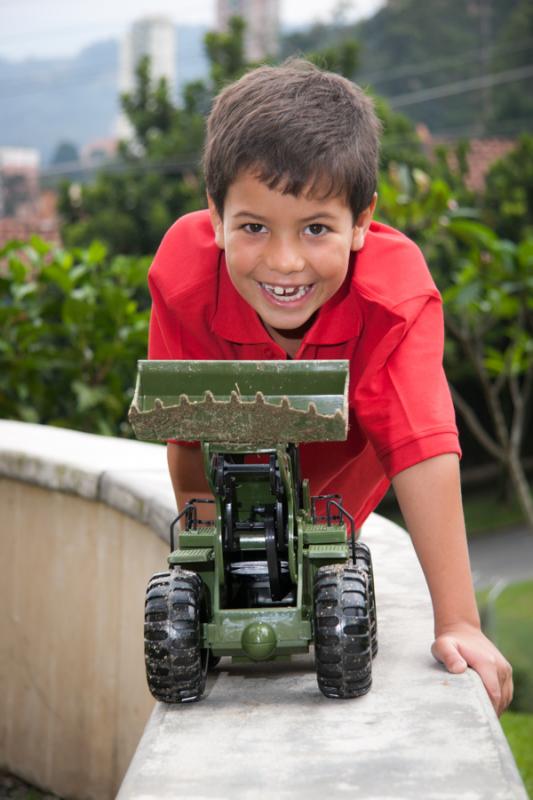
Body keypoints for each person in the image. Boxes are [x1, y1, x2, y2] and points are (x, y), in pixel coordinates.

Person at [147, 59, 513, 715]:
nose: (284, 262)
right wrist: (208, 553)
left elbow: (421, 447)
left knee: (327, 567)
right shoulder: (182, 275)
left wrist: (457, 621)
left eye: (316, 228)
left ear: (361, 220)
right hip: (234, 465)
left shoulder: (394, 297)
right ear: (213, 214)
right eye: (253, 226)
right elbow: (187, 427)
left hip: (343, 471)